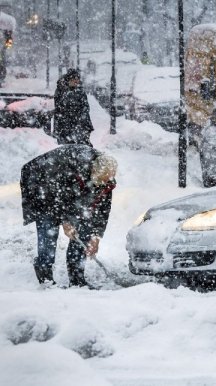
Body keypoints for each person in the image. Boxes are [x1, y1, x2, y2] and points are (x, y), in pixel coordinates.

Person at [20, 145, 117, 287]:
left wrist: (96, 236)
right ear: (93, 171)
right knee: (49, 227)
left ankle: (77, 278)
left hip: (64, 190)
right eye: (102, 180)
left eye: (107, 180)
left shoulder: (106, 179)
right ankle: (45, 275)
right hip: (40, 182)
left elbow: (102, 210)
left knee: (85, 227)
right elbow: (57, 196)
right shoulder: (72, 168)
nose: (105, 183)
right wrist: (66, 221)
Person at [53, 68, 95, 146]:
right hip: (65, 126)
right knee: (68, 148)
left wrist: (80, 118)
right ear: (69, 79)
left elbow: (85, 107)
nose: (77, 81)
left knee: (83, 146)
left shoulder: (80, 91)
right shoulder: (60, 90)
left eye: (78, 79)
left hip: (80, 125)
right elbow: (59, 108)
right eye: (74, 79)